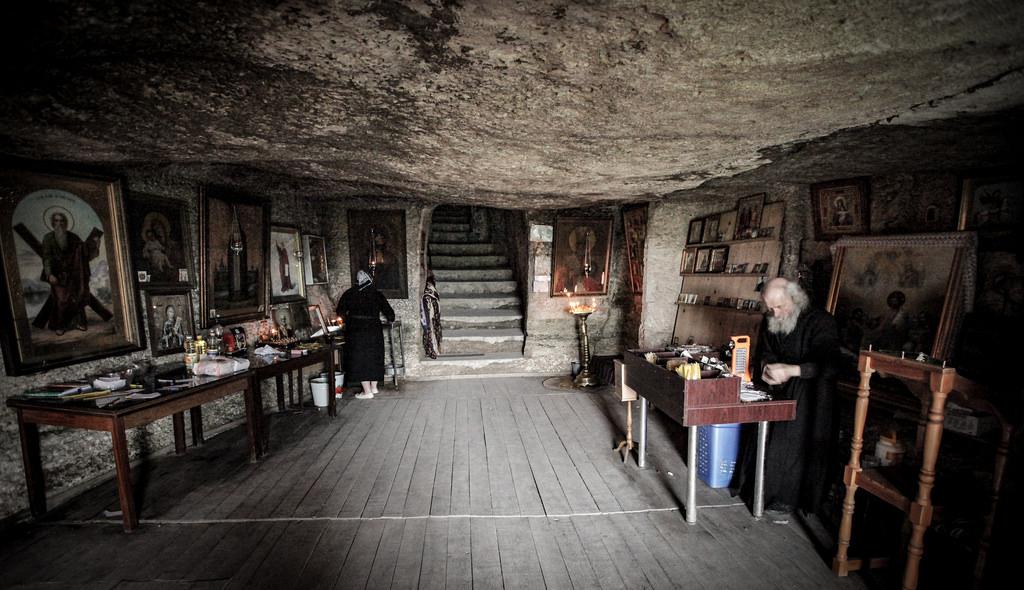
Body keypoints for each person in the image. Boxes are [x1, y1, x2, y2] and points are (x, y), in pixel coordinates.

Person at [731, 277, 840, 523]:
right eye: (770, 308)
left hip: (811, 396)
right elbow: (765, 352)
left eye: (779, 307)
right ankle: (757, 489)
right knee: (763, 437)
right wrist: (768, 370)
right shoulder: (771, 319)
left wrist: (792, 371)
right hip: (779, 388)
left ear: (795, 298)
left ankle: (786, 498)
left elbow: (829, 365)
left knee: (789, 446)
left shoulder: (821, 322)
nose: (775, 313)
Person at [336, 269, 396, 399]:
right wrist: (385, 319)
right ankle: (374, 388)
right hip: (374, 329)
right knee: (375, 357)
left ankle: (367, 391)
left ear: (357, 280)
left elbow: (340, 313)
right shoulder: (377, 294)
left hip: (356, 331)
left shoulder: (349, 293)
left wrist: (346, 320)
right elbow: (391, 315)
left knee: (360, 359)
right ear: (370, 279)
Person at [39, 211, 93, 335]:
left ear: (66, 223)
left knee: (77, 297)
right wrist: (49, 274)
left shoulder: (73, 237)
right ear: (53, 223)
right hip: (57, 275)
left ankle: (80, 322)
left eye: (62, 221)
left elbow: (84, 251)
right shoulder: (48, 238)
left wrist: (93, 245)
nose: (59, 224)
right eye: (56, 221)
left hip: (73, 274)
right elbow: (46, 258)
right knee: (62, 300)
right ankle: (60, 325)